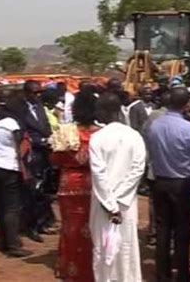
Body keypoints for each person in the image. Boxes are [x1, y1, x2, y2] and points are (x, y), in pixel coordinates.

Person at [89, 93, 146, 282]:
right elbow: (137, 170)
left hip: (104, 203)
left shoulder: (97, 138)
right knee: (126, 247)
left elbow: (99, 174)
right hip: (126, 203)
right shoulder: (134, 136)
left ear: (106, 111)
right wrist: (120, 200)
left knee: (103, 247)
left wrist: (110, 204)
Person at [146, 87, 190, 282]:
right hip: (183, 184)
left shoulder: (154, 125)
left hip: (160, 181)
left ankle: (163, 274)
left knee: (162, 230)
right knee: (182, 230)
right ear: (186, 105)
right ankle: (182, 273)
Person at [50, 90, 101, 281]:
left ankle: (70, 268)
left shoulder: (66, 132)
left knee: (71, 227)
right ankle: (92, 270)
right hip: (95, 186)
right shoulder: (102, 133)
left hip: (69, 185)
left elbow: (55, 159)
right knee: (93, 229)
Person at [0, 87, 33, 258]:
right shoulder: (14, 119)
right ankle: (13, 245)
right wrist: (26, 171)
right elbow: (21, 148)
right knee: (11, 207)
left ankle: (3, 241)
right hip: (7, 166)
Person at [20, 80, 54, 243]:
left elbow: (46, 126)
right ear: (26, 93)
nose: (38, 96)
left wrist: (49, 138)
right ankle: (31, 227)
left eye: (40, 92)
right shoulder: (21, 110)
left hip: (44, 154)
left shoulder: (40, 107)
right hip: (31, 154)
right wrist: (38, 140)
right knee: (32, 191)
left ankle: (42, 223)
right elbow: (23, 132)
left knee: (43, 190)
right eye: (34, 93)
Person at [141, 92, 172, 246]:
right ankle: (171, 236)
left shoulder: (152, 117)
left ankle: (154, 233)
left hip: (154, 168)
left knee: (154, 203)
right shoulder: (182, 121)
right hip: (175, 172)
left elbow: (144, 138)